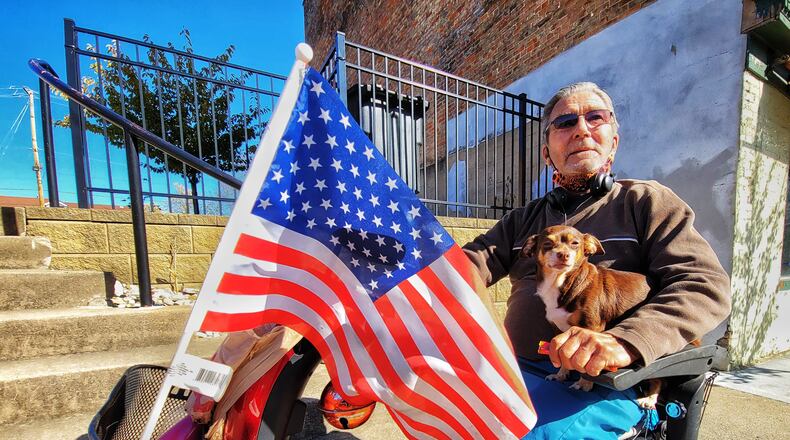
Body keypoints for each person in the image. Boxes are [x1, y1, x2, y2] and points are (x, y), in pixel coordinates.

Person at [462, 82, 731, 439]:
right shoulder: (523, 219)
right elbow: (468, 263)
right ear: (547, 153)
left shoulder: (646, 202)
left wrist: (625, 340)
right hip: (514, 369)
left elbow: (705, 286)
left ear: (613, 143)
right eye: (565, 122)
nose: (581, 129)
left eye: (595, 118)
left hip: (609, 383)